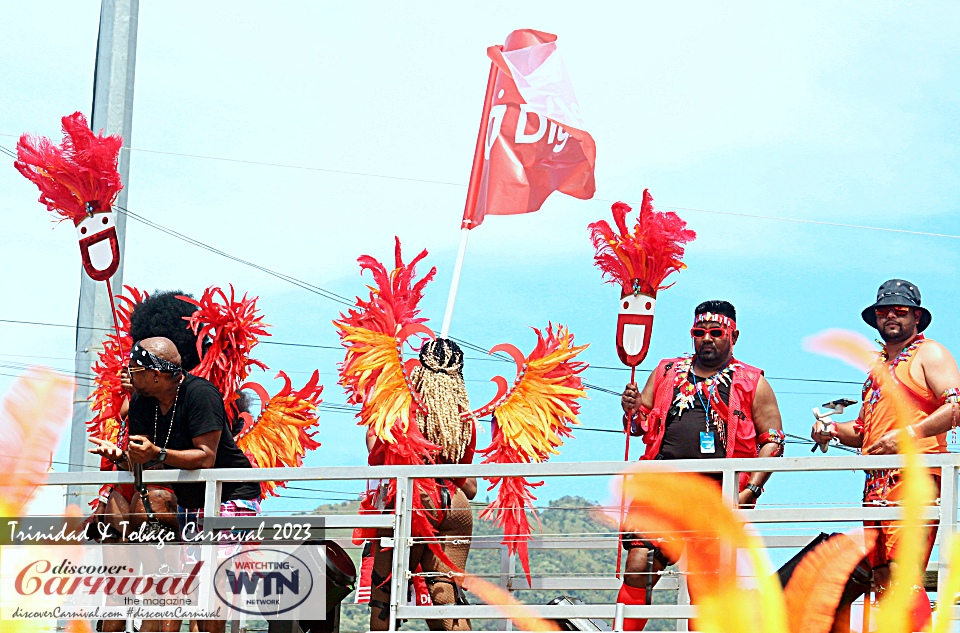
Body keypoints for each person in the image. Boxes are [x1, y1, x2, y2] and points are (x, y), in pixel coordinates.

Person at [618, 300, 785, 631]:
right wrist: (632, 407)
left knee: (707, 579)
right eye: (699, 332)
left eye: (715, 332)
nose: (706, 338)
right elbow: (639, 426)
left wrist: (751, 489)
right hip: (663, 487)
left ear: (733, 335)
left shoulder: (753, 381)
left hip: (716, 492)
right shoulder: (666, 371)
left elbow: (774, 441)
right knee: (639, 562)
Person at [810, 279, 960, 629]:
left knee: (901, 572)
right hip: (875, 482)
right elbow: (863, 431)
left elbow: (956, 406)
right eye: (883, 311)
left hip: (916, 476)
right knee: (881, 578)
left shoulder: (929, 353)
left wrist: (908, 435)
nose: (891, 316)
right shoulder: (878, 370)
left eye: (900, 310)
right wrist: (830, 430)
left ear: (917, 317)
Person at [91, 337, 261, 633]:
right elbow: (146, 464)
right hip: (190, 504)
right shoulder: (143, 404)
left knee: (211, 586)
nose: (128, 374)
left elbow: (206, 458)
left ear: (155, 374)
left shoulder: (201, 394)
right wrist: (120, 458)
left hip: (230, 496)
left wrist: (156, 453)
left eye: (134, 369)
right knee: (191, 583)